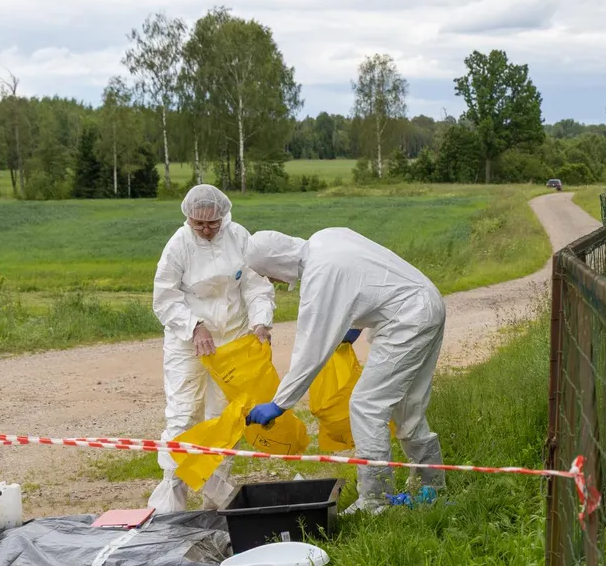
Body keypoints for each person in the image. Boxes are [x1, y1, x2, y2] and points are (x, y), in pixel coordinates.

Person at [243, 228, 446, 515]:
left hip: (407, 319)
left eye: (267, 273)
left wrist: (280, 402)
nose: (271, 281)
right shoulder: (327, 237)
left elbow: (310, 352)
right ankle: (433, 487)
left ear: (275, 263)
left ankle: (376, 501)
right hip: (426, 302)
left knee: (367, 405)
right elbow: (368, 275)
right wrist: (355, 322)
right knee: (407, 405)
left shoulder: (319, 275)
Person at [149, 184, 276, 513]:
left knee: (225, 416)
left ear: (224, 216)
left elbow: (256, 284)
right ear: (187, 218)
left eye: (212, 223)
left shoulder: (239, 237)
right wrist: (194, 326)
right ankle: (172, 500)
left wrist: (261, 321)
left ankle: (215, 501)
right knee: (184, 413)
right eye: (198, 224)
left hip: (232, 339)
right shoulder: (178, 245)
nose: (205, 230)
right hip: (187, 340)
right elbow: (164, 296)